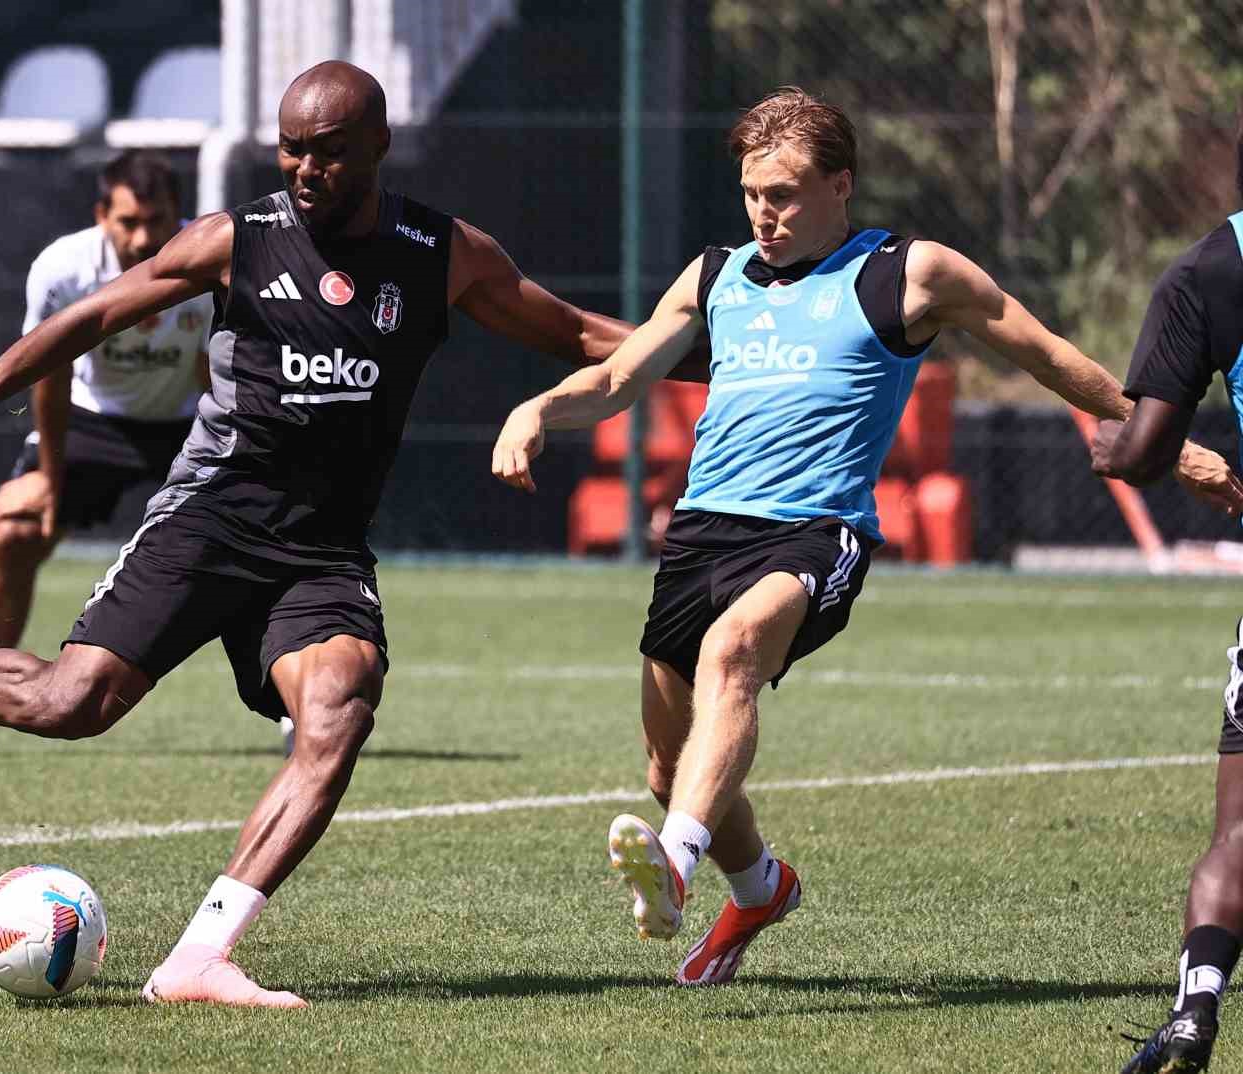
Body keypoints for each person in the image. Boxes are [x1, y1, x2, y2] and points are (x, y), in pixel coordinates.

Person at [0, 61, 684, 1009]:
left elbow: (575, 332)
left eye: (328, 152)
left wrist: (716, 354)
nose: (305, 168)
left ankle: (199, 957)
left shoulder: (441, 252)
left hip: (321, 549)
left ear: (378, 147)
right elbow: (88, 317)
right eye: (290, 148)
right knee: (73, 704)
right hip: (211, 517)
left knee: (339, 708)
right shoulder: (237, 239)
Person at [491, 86, 1243, 989]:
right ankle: (760, 887)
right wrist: (538, 410)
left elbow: (1046, 353)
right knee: (667, 763)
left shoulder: (906, 274)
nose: (763, 215)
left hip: (817, 532)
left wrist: (1176, 448)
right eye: (751, 195)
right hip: (701, 534)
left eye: (784, 194)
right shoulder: (715, 276)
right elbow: (618, 377)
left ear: (840, 185)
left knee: (734, 654)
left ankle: (676, 867)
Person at [0, 151, 214, 760]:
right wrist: (50, 481)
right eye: (128, 222)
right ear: (101, 215)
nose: (143, 239)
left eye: (157, 221)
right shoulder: (63, 269)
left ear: (178, 216)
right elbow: (50, 376)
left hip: (187, 422)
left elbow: (216, 370)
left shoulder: (212, 259)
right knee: (15, 528)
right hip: (91, 422)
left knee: (251, 544)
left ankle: (292, 720)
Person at [1090, 112, 1243, 1074]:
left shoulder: (1209, 269)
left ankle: (1195, 1010)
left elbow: (1146, 451)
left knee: (1239, 830)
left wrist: (1114, 448)